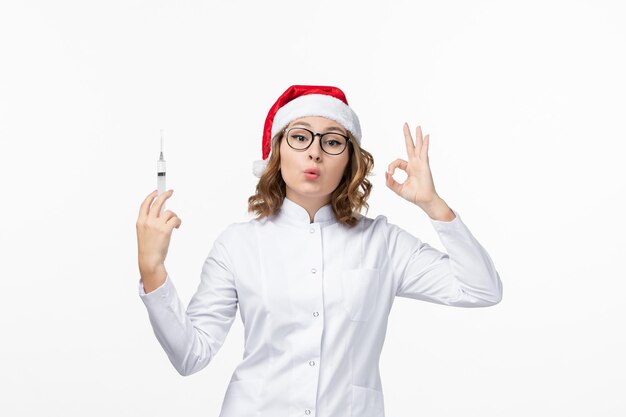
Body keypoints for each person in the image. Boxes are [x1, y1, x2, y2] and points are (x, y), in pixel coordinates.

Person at [135, 85, 503, 417]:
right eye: (300, 137)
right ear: (277, 152)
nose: (314, 152)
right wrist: (152, 270)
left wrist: (433, 205)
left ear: (350, 161)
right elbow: (190, 355)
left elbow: (481, 289)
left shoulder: (382, 243)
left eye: (331, 142)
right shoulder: (238, 244)